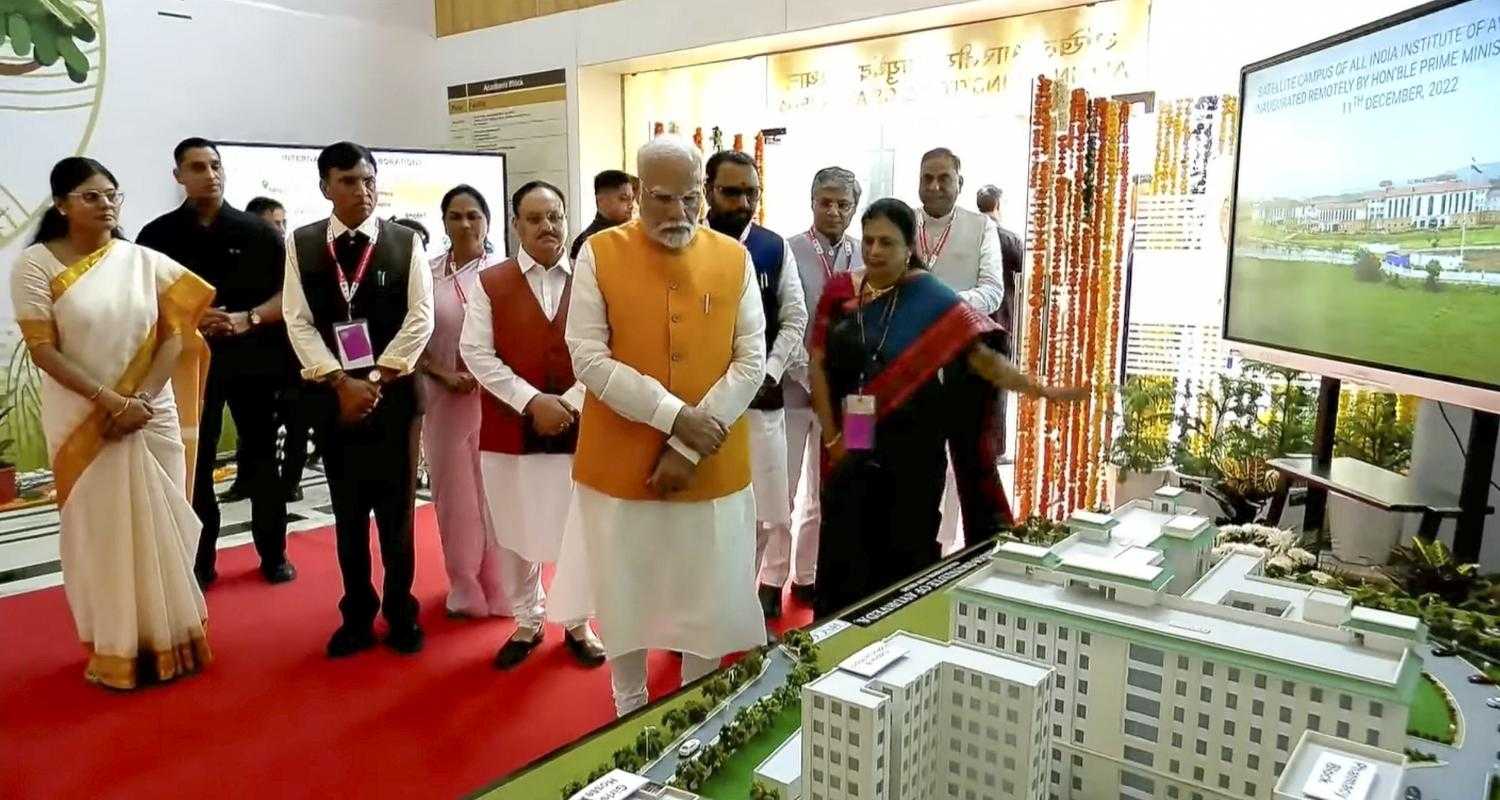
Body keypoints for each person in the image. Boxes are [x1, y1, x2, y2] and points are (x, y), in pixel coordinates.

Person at [546, 135, 766, 717]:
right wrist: (675, 419)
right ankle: (628, 708)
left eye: (691, 199)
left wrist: (692, 443)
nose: (678, 214)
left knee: (708, 594)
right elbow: (587, 357)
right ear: (639, 192)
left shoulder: (733, 256)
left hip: (713, 462)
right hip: (619, 464)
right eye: (663, 200)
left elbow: (751, 359)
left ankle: (699, 707)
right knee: (626, 591)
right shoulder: (598, 253)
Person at [808, 198, 1080, 617]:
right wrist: (832, 436)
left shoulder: (930, 297)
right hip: (850, 446)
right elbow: (818, 364)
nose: (876, 251)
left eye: (888, 242)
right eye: (869, 240)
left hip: (913, 451)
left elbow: (983, 360)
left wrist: (1040, 389)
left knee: (905, 553)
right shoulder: (841, 292)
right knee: (845, 552)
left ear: (908, 246)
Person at [12, 157, 215, 688]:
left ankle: (177, 641)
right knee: (100, 532)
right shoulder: (35, 265)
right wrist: (110, 401)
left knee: (169, 520)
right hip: (84, 419)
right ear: (61, 206)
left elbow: (175, 336)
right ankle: (118, 648)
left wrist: (139, 401)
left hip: (151, 413)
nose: (106, 205)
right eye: (91, 196)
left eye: (112, 195)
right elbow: (42, 350)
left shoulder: (142, 261)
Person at [282, 141, 434, 657]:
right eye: (348, 181)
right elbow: (297, 320)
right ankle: (356, 614)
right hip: (333, 401)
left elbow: (421, 319)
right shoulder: (301, 244)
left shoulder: (404, 241)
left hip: (392, 397)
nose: (362, 191)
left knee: (398, 517)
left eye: (369, 180)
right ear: (325, 187)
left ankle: (401, 612)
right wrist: (338, 382)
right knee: (348, 516)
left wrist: (372, 377)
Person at [460, 181, 608, 670]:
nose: (548, 226)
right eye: (536, 218)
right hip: (509, 429)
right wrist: (531, 402)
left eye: (556, 216)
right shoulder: (490, 282)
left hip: (581, 426)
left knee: (579, 526)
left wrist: (568, 402)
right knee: (515, 526)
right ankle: (527, 620)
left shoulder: (592, 279)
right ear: (516, 225)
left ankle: (579, 622)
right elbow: (476, 353)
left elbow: (609, 349)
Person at [136, 138, 294, 586]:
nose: (210, 174)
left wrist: (248, 318)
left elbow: (289, 295)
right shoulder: (156, 236)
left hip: (255, 361)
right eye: (198, 167)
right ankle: (201, 560)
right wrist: (189, 317)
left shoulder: (260, 232)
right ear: (178, 176)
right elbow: (144, 300)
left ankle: (273, 553)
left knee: (262, 460)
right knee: (197, 464)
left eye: (215, 165)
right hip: (187, 364)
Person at [702, 149, 807, 620]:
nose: (743, 201)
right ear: (707, 191)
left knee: (769, 501)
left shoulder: (772, 246)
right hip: (703, 405)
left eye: (751, 192)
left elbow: (794, 317)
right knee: (711, 508)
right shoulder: (688, 245)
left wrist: (767, 372)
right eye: (731, 191)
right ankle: (712, 599)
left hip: (764, 399)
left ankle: (764, 586)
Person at [418, 185, 506, 619]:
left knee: (497, 491)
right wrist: (441, 374)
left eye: (474, 215)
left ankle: (506, 586)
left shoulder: (507, 272)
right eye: (456, 216)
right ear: (444, 222)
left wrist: (491, 376)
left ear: (487, 220)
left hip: (497, 401)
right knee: (454, 496)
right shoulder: (427, 273)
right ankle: (464, 584)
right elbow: (412, 338)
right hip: (444, 400)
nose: (465, 224)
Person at [778, 166, 863, 608]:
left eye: (843, 204)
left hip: (852, 402)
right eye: (825, 202)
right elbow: (780, 325)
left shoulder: (866, 255)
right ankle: (772, 580)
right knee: (784, 490)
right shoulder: (788, 251)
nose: (833, 211)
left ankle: (809, 576)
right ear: (811, 202)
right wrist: (803, 377)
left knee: (835, 488)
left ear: (854, 208)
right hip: (794, 392)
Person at [916, 147, 1005, 555]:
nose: (934, 186)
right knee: (918, 465)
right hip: (910, 366)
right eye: (927, 178)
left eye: (943, 178)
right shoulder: (903, 223)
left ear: (960, 183)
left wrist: (941, 302)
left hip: (964, 364)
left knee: (971, 465)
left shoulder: (981, 227)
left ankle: (972, 553)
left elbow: (992, 291)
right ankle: (920, 555)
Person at [248, 196, 313, 501]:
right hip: (257, 358)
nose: (281, 229)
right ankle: (248, 480)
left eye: (284, 223)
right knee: (256, 428)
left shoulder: (297, 257)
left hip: (296, 359)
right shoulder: (246, 261)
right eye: (274, 223)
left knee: (297, 425)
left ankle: (292, 482)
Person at [974, 184, 1026, 459]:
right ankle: (995, 449)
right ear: (998, 206)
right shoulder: (1008, 239)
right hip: (1000, 325)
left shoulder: (969, 237)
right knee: (996, 393)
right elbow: (1026, 271)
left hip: (969, 327)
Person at [570, 169, 637, 261]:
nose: (631, 205)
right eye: (623, 199)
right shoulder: (587, 242)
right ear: (601, 200)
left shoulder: (635, 234)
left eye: (632, 199)